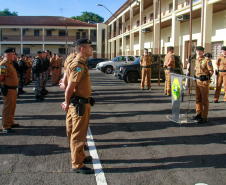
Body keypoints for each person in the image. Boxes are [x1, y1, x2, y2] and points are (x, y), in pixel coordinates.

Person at [62, 38, 94, 174]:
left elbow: (66, 76)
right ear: (82, 49)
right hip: (79, 104)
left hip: (78, 102)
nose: (92, 49)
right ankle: (77, 164)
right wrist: (66, 103)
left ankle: (80, 156)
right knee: (78, 134)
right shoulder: (78, 64)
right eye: (89, 47)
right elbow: (70, 88)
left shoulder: (79, 62)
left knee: (74, 131)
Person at [191, 46, 213, 123]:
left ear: (203, 52)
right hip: (197, 81)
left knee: (204, 100)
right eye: (197, 51)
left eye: (200, 51)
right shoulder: (197, 60)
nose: (199, 53)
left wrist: (206, 77)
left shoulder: (207, 60)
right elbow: (196, 69)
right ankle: (199, 113)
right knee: (198, 98)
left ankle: (204, 116)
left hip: (204, 82)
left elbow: (211, 71)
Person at [0, 48, 19, 133]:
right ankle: (5, 125)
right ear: (8, 55)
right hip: (8, 89)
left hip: (13, 89)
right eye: (13, 54)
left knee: (12, 106)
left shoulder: (10, 63)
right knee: (8, 107)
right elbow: (1, 77)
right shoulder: (4, 64)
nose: (14, 56)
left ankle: (10, 122)